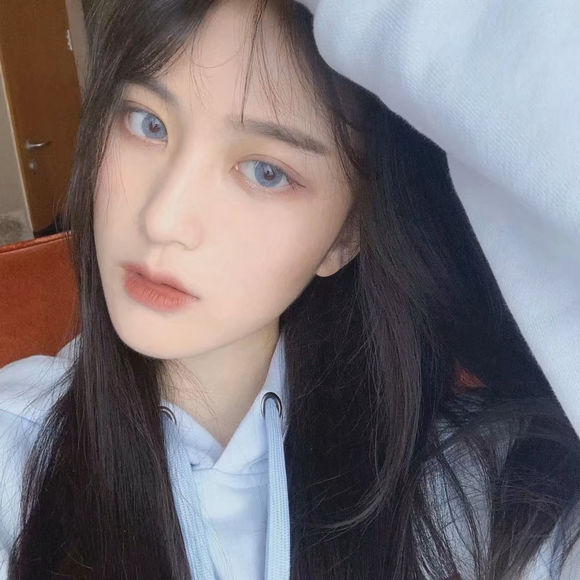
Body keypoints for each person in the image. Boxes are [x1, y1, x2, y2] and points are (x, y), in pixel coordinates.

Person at [0, 0, 578, 578]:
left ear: (345, 236)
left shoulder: (482, 487)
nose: (162, 219)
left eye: (266, 171)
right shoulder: (15, 449)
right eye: (148, 123)